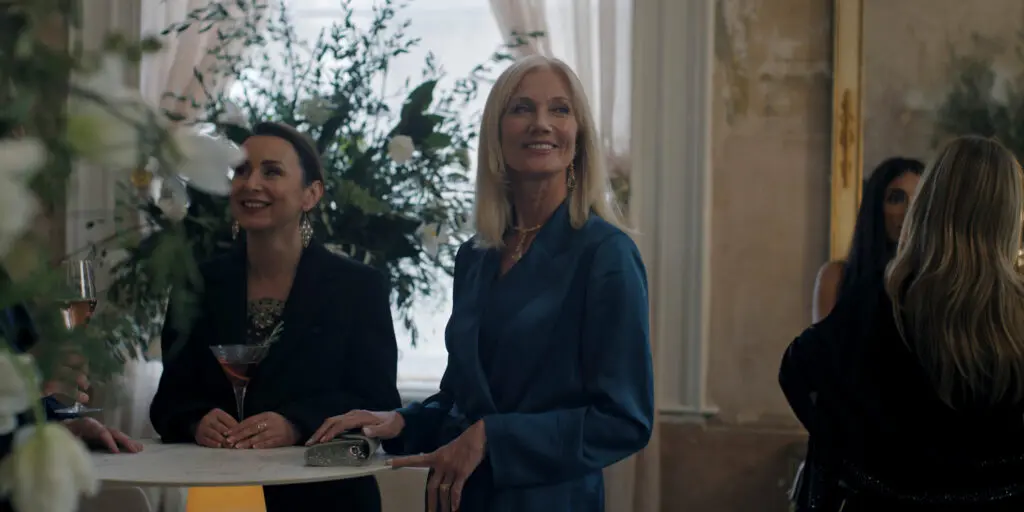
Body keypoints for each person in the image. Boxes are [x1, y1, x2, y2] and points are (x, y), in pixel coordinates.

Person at [308, 55, 655, 511]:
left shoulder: (606, 255)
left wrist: (494, 437)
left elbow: (624, 421)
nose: (541, 123)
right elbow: (461, 399)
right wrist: (398, 421)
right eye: (522, 108)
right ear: (496, 132)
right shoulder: (475, 256)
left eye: (559, 109)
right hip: (461, 499)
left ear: (579, 136)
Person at [148, 122, 402, 512]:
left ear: (311, 194)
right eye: (242, 171)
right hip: (225, 496)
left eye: (272, 172)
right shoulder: (199, 282)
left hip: (328, 499)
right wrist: (196, 421)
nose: (251, 184)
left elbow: (378, 401)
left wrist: (296, 423)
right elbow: (169, 400)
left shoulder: (358, 287)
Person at [780, 136, 1024, 510]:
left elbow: (799, 373)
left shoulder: (883, 299)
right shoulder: (1015, 314)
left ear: (930, 204)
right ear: (1008, 216)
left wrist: (860, 458)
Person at [812, 157, 924, 322]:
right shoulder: (836, 278)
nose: (909, 211)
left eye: (919, 200)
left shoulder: (935, 281)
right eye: (896, 199)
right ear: (875, 207)